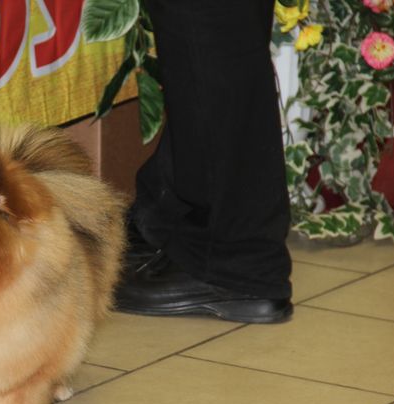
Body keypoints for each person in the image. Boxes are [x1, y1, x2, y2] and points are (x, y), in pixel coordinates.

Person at [115, 0, 294, 324]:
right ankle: (173, 216)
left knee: (207, 16)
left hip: (236, 254)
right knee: (219, 24)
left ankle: (234, 261)